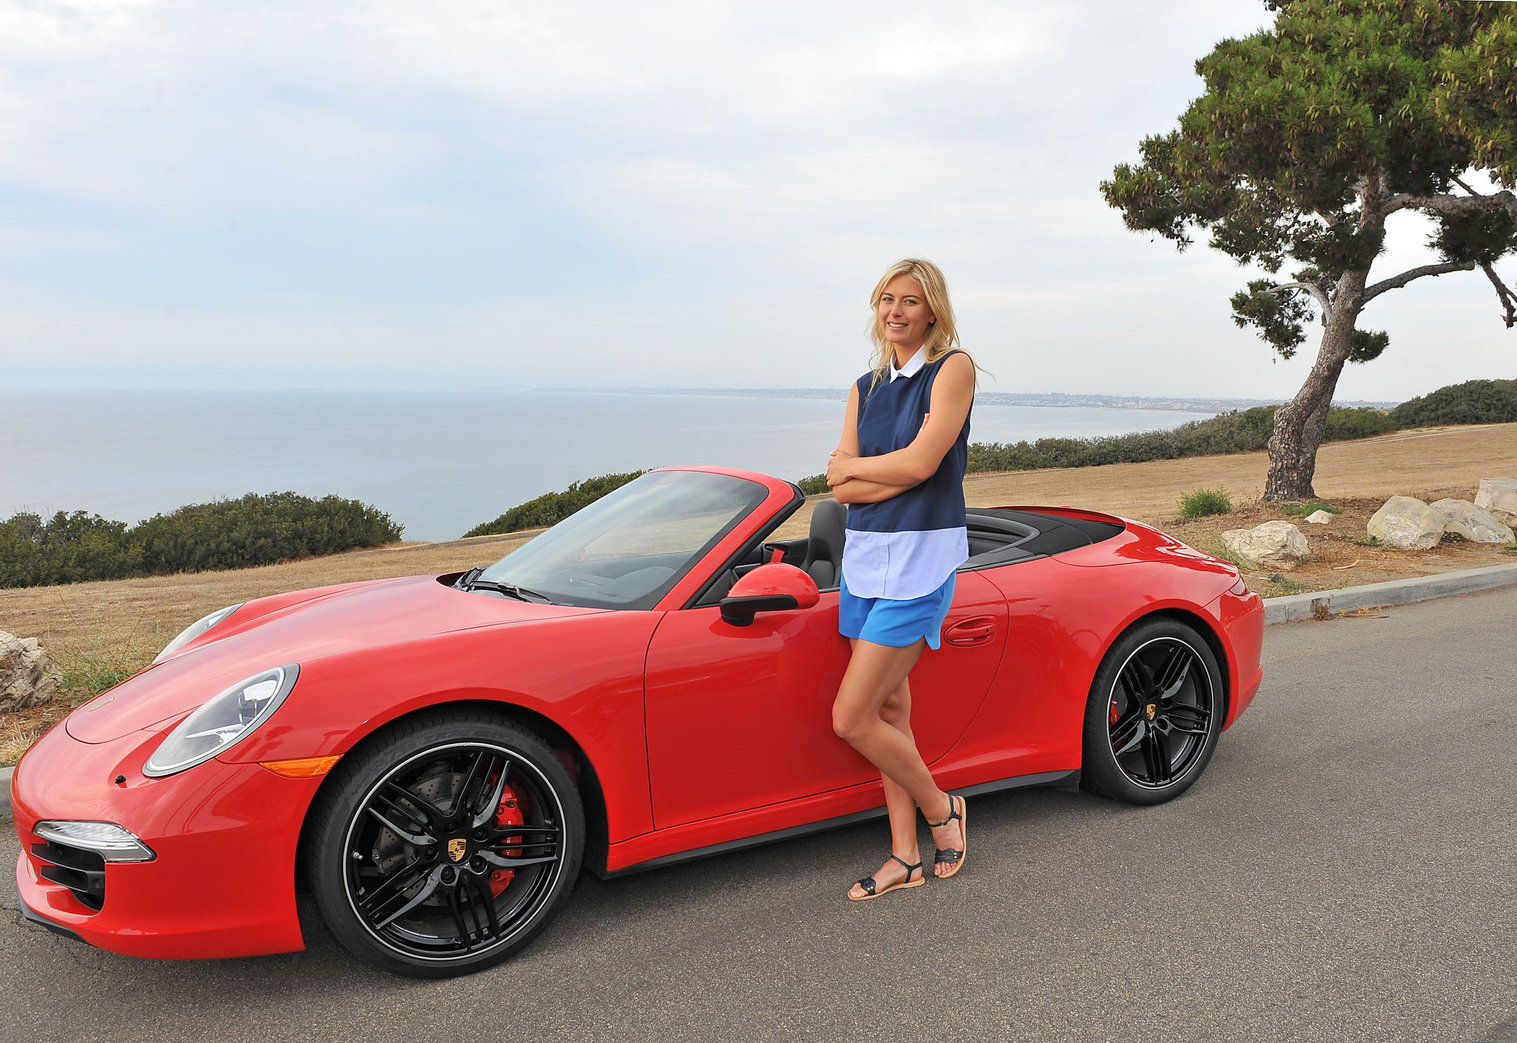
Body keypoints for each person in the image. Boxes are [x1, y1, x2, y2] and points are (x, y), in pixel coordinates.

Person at [826, 257, 977, 901]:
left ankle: (944, 812)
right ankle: (905, 857)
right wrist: (867, 474)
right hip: (863, 564)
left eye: (909, 301)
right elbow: (836, 479)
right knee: (890, 711)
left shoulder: (953, 369)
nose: (895, 311)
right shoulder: (864, 385)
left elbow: (921, 465)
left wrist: (866, 473)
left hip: (919, 566)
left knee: (850, 718)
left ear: (932, 310)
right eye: (886, 300)